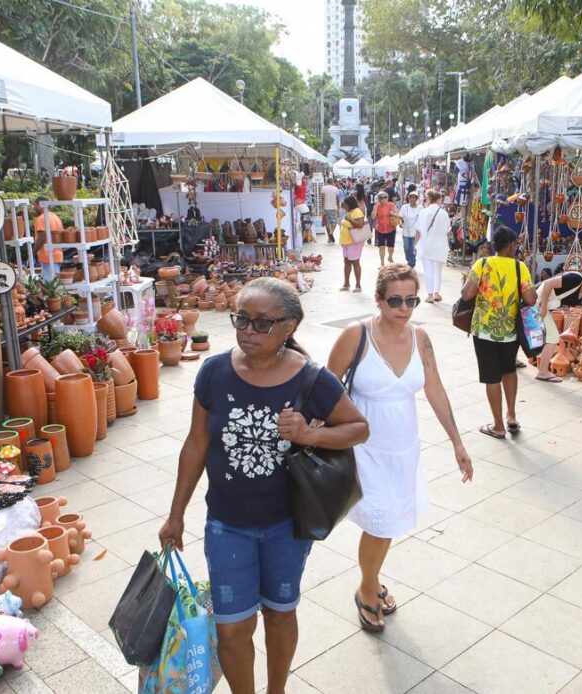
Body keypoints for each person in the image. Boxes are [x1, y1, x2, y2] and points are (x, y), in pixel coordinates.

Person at [158, 278, 368, 694]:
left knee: (279, 615)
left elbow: (359, 428)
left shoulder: (312, 379)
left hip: (286, 527)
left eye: (261, 324)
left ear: (290, 326)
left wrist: (310, 434)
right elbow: (197, 444)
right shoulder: (214, 372)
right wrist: (176, 513)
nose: (247, 332)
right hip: (226, 525)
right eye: (241, 321)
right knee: (233, 629)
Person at [328, 265, 472, 632]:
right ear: (378, 299)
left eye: (412, 300)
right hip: (364, 447)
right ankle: (366, 589)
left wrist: (457, 441)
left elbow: (435, 389)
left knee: (388, 522)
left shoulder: (421, 338)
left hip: (404, 448)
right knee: (380, 522)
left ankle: (372, 581)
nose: (404, 308)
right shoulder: (354, 336)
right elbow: (325, 390)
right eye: (395, 300)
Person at [460, 226, 536, 438]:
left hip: (484, 331)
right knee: (509, 370)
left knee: (491, 377)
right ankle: (511, 416)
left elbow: (466, 294)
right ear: (511, 245)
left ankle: (498, 426)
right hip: (510, 331)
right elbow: (531, 299)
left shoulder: (482, 264)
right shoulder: (520, 267)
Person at [416, 189, 451, 302]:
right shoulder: (444, 213)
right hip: (440, 245)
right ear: (438, 199)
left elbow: (418, 231)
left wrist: (416, 244)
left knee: (428, 270)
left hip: (427, 245)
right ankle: (436, 293)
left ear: (430, 199)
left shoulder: (423, 212)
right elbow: (447, 230)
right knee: (438, 270)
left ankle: (430, 295)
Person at [339, 196, 367, 292]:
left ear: (349, 204)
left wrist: (349, 219)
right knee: (346, 262)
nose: (344, 206)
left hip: (354, 242)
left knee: (355, 262)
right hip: (346, 242)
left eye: (345, 205)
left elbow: (360, 224)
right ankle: (346, 284)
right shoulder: (350, 212)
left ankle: (358, 285)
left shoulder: (357, 211)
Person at [33, 196, 64, 280]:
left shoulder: (42, 218)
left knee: (50, 286)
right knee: (54, 283)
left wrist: (33, 252)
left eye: (35, 205)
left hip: (48, 256)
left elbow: (42, 236)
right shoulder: (55, 217)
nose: (34, 208)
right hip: (57, 255)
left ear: (40, 205)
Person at [372, 191, 398, 266]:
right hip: (380, 229)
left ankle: (390, 256)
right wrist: (376, 206)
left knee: (391, 247)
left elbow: (397, 213)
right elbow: (373, 217)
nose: (383, 199)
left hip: (391, 228)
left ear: (388, 198)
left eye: (385, 197)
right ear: (379, 199)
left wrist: (393, 213)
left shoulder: (391, 205)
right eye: (381, 198)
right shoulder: (377, 206)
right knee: (381, 247)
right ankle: (382, 263)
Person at [399, 191, 421, 268]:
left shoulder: (420, 208)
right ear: (408, 198)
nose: (412, 199)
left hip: (416, 232)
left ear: (416, 199)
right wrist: (400, 223)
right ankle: (409, 259)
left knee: (413, 248)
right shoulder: (405, 207)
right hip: (406, 231)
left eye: (414, 197)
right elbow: (400, 217)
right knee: (406, 247)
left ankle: (411, 263)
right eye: (411, 197)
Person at [322, 178, 340, 243]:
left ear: (327, 182)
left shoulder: (324, 188)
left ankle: (329, 238)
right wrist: (338, 207)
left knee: (327, 223)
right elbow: (337, 199)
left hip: (326, 208)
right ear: (332, 182)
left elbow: (323, 198)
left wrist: (323, 208)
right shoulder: (335, 189)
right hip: (334, 208)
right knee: (334, 222)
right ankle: (331, 233)